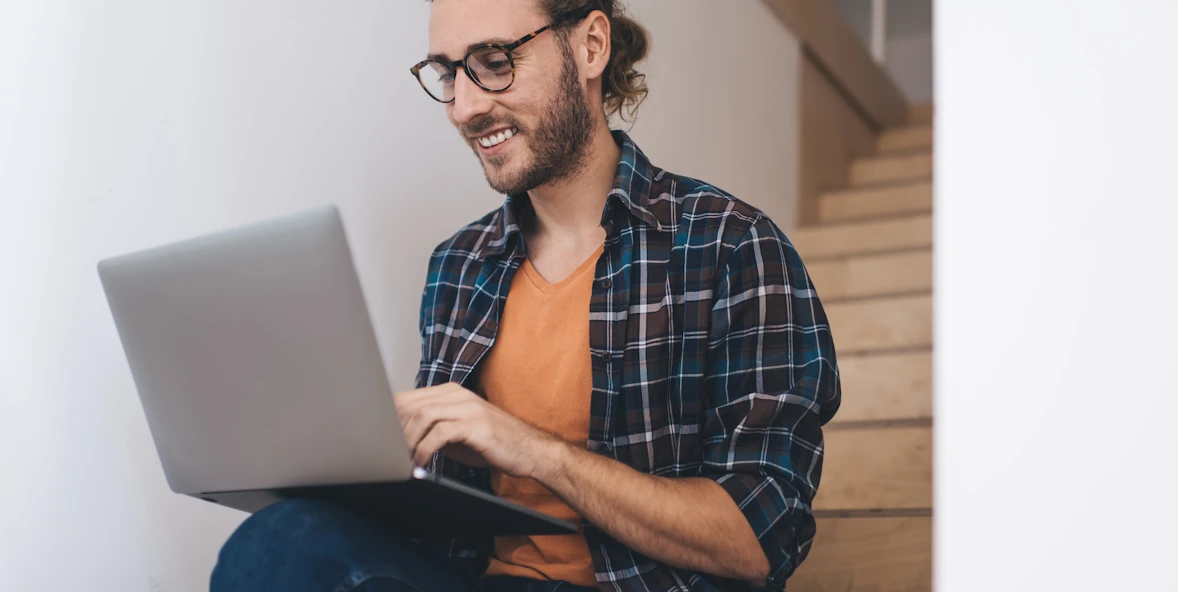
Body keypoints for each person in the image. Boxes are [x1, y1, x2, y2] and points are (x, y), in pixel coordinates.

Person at [210, 0, 840, 590]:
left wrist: (530, 449)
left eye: (494, 62)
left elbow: (761, 537)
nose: (463, 107)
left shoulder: (731, 246)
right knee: (282, 538)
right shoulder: (459, 264)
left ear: (591, 46)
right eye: (447, 73)